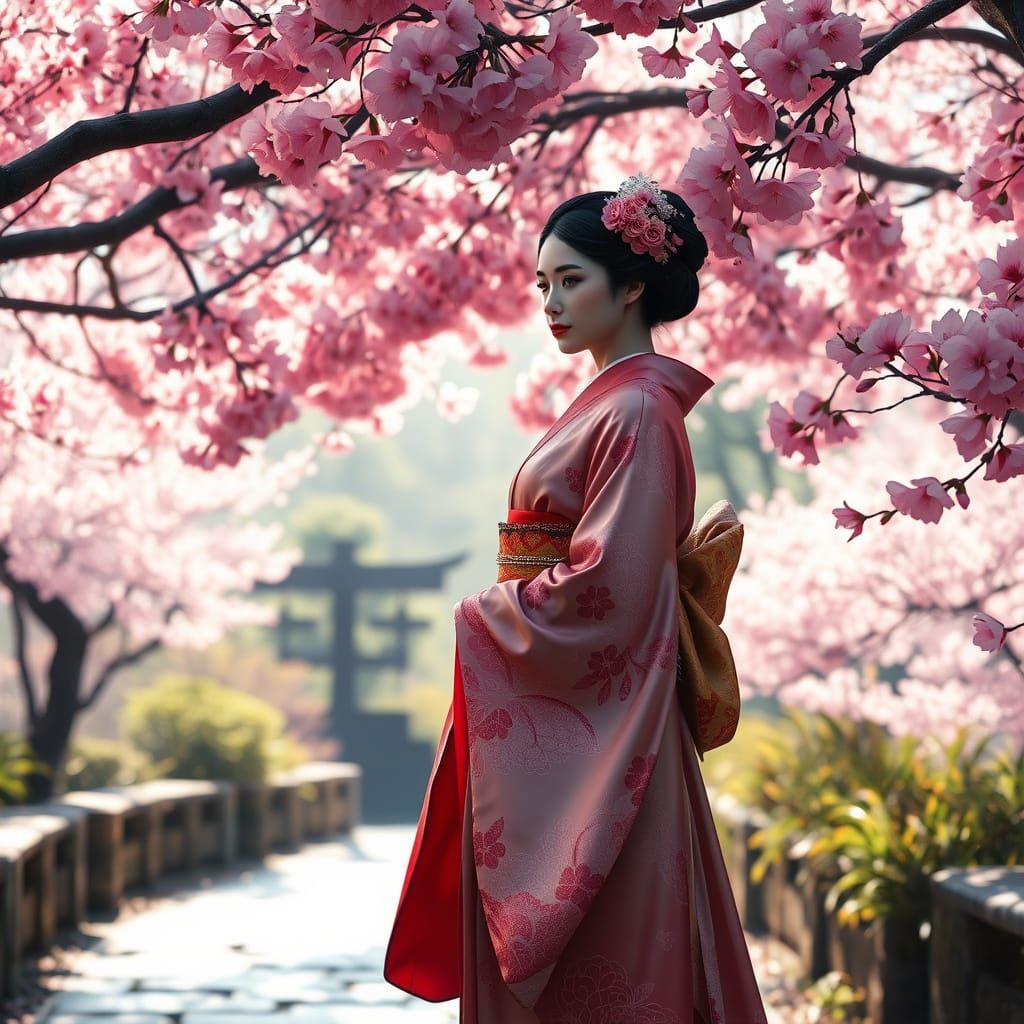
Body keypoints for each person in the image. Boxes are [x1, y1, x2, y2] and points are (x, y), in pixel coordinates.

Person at [384, 173, 767, 1023]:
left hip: (607, 724)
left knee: (611, 960)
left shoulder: (634, 408)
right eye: (542, 284)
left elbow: (610, 590)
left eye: (572, 281)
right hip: (592, 711)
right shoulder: (619, 402)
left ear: (632, 285)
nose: (552, 302)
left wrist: (486, 615)